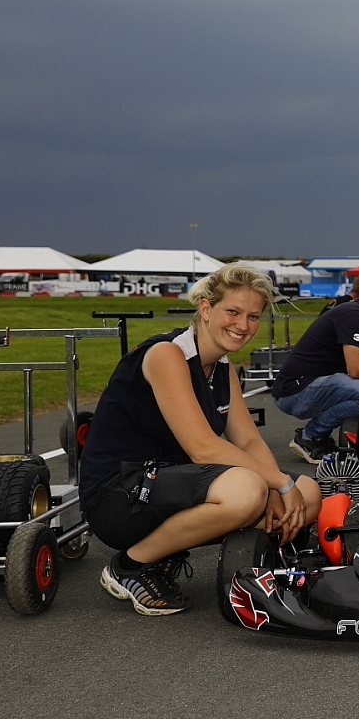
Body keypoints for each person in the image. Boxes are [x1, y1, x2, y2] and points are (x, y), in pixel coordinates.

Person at [79, 264, 321, 616]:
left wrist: (279, 488)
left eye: (253, 316)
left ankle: (256, 560)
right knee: (248, 490)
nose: (243, 325)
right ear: (206, 309)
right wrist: (277, 482)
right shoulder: (166, 354)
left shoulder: (222, 368)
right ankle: (130, 566)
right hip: (118, 495)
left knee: (307, 493)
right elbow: (202, 447)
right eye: (233, 312)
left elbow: (249, 442)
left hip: (169, 485)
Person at [273, 276, 359, 464]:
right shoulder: (353, 315)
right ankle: (309, 436)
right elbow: (357, 369)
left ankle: (322, 435)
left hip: (310, 384)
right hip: (294, 390)